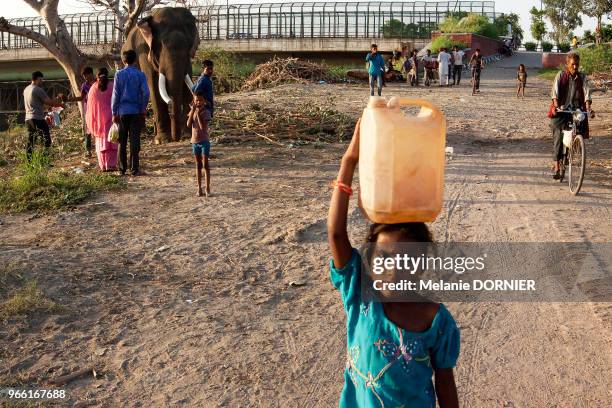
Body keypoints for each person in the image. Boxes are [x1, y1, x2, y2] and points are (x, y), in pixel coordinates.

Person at [328, 119, 460, 408]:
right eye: (385, 258)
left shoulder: (437, 321)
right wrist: (349, 160)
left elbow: (445, 384)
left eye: (407, 260)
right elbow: (337, 233)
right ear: (368, 259)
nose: (394, 269)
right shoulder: (359, 296)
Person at [549, 53, 594, 179]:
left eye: (577, 64)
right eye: (572, 64)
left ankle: (572, 152)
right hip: (562, 109)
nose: (575, 66)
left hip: (576, 109)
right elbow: (554, 93)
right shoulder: (561, 75)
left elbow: (587, 94)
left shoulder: (582, 77)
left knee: (579, 129)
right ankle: (557, 165)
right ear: (567, 64)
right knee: (558, 134)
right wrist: (557, 106)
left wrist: (589, 108)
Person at [111, 50, 149, 176]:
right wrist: (143, 108)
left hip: (122, 112)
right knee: (135, 141)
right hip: (135, 112)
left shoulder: (119, 75)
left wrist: (114, 111)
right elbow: (146, 93)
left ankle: (122, 169)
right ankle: (134, 169)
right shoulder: (140, 75)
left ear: (124, 60)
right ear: (135, 60)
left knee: (122, 141)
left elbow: (115, 95)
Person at [23, 71, 65, 157]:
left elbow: (36, 103)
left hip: (28, 118)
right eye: (41, 79)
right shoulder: (38, 89)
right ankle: (44, 160)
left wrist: (50, 104)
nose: (42, 81)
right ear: (36, 79)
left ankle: (29, 161)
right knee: (46, 140)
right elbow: (49, 102)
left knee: (31, 140)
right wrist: (60, 104)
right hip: (37, 119)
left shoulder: (26, 89)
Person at [86, 68, 118, 171]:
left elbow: (89, 108)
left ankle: (103, 166)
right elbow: (117, 101)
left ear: (97, 76)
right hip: (111, 120)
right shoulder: (112, 86)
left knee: (101, 143)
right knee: (112, 142)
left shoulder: (93, 88)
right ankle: (111, 165)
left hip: (99, 122)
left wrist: (92, 121)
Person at [187, 91, 212, 197]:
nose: (198, 102)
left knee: (205, 165)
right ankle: (199, 188)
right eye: (196, 100)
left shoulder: (206, 112)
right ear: (194, 101)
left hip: (204, 142)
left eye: (200, 100)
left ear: (204, 101)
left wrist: (197, 115)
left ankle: (208, 188)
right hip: (195, 142)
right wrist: (192, 112)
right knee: (198, 165)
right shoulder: (192, 111)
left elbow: (202, 127)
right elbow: (188, 124)